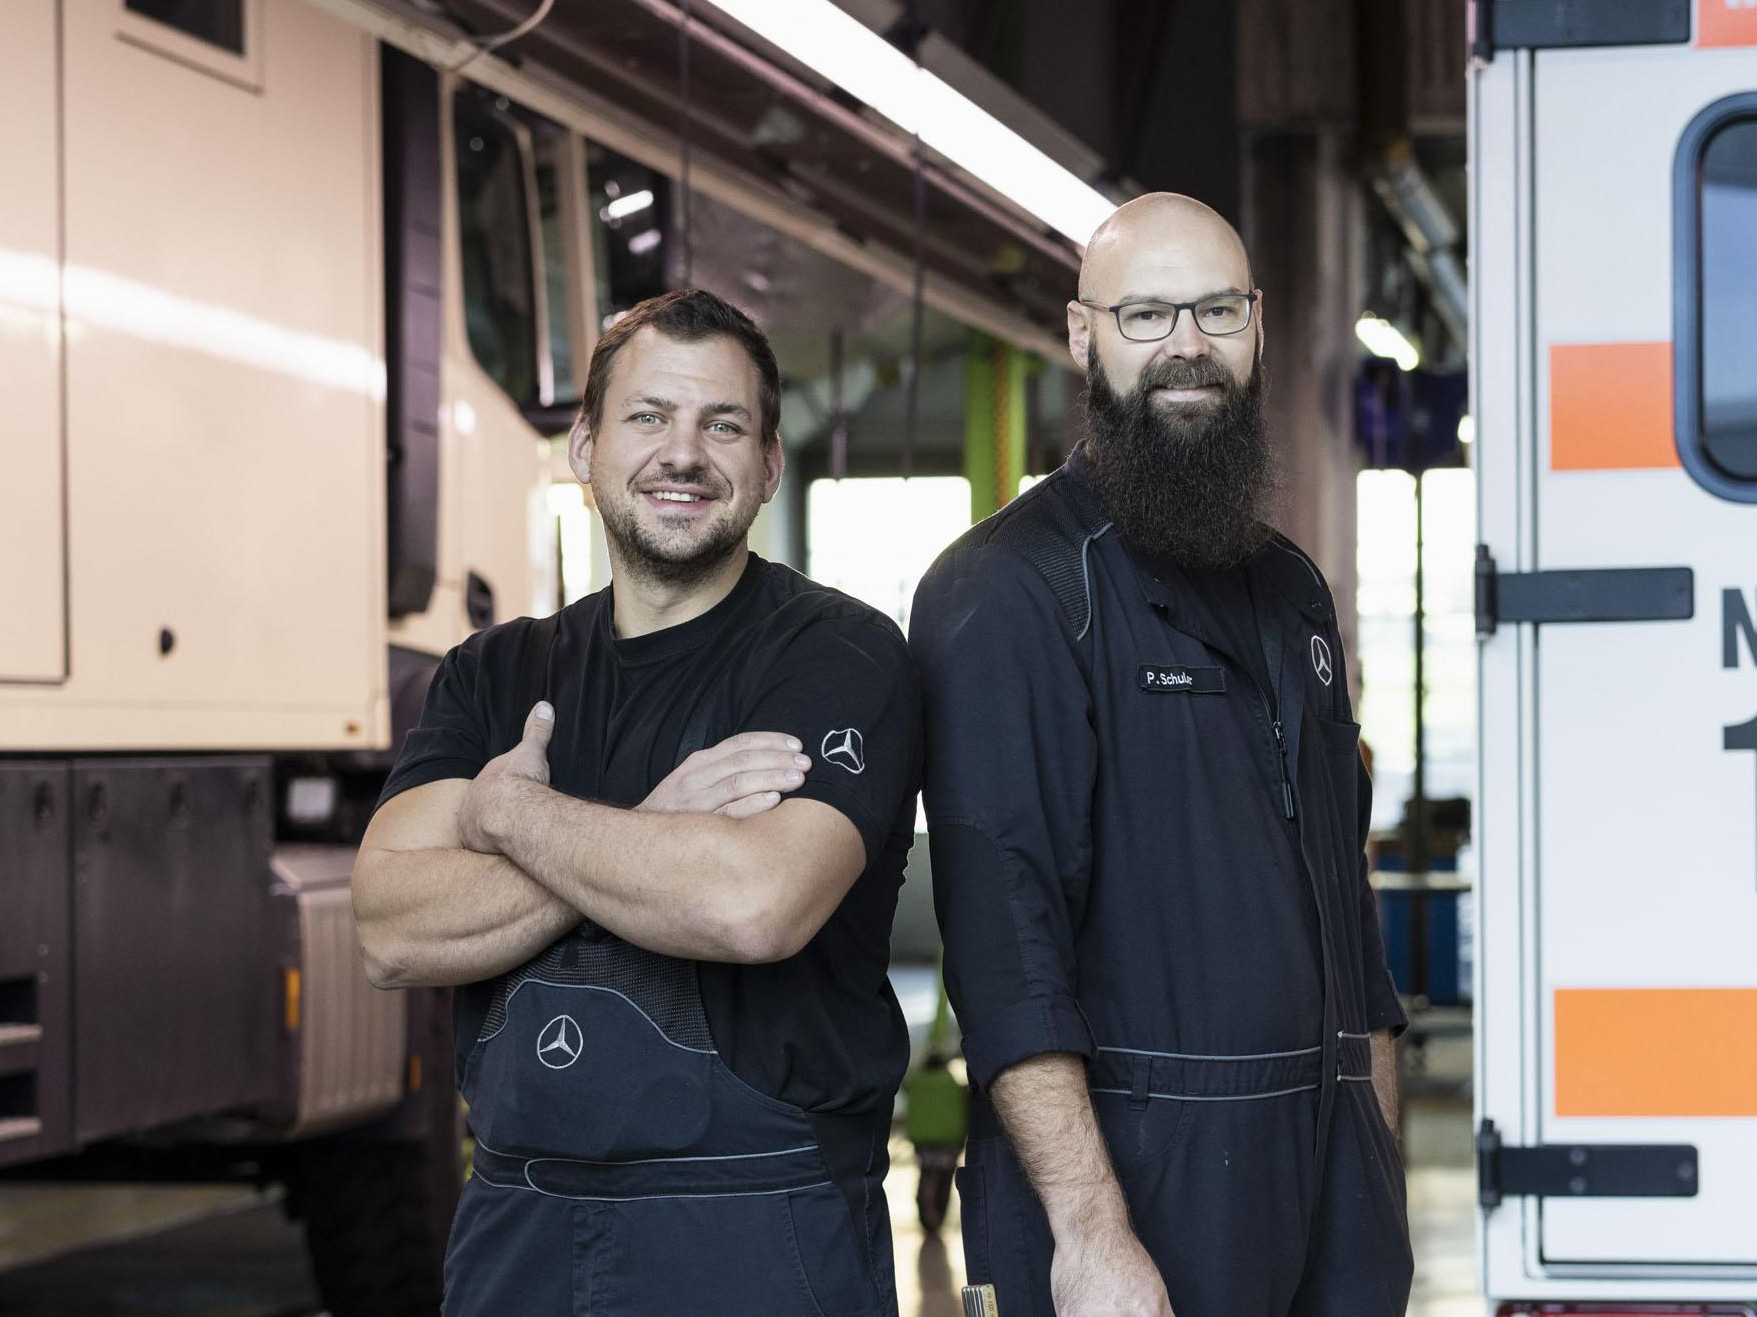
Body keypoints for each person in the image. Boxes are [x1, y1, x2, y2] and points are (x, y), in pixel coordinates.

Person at [353, 289, 921, 1317]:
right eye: (649, 416)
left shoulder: (835, 655)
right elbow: (390, 929)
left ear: (769, 467)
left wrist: (505, 818)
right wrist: (663, 830)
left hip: (756, 1227)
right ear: (584, 446)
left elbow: (752, 905)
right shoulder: (493, 673)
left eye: (723, 424)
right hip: (518, 1225)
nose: (683, 453)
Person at [909, 194, 1412, 1317]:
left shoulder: (1291, 590)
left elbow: (1350, 916)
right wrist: (1089, 1234)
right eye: (1145, 314)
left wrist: (1374, 1178)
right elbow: (1006, 954)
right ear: (1083, 335)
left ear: (1257, 326)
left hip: (1327, 1195)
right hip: (1133, 1192)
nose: (1186, 345)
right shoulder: (1007, 591)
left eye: (1216, 309)